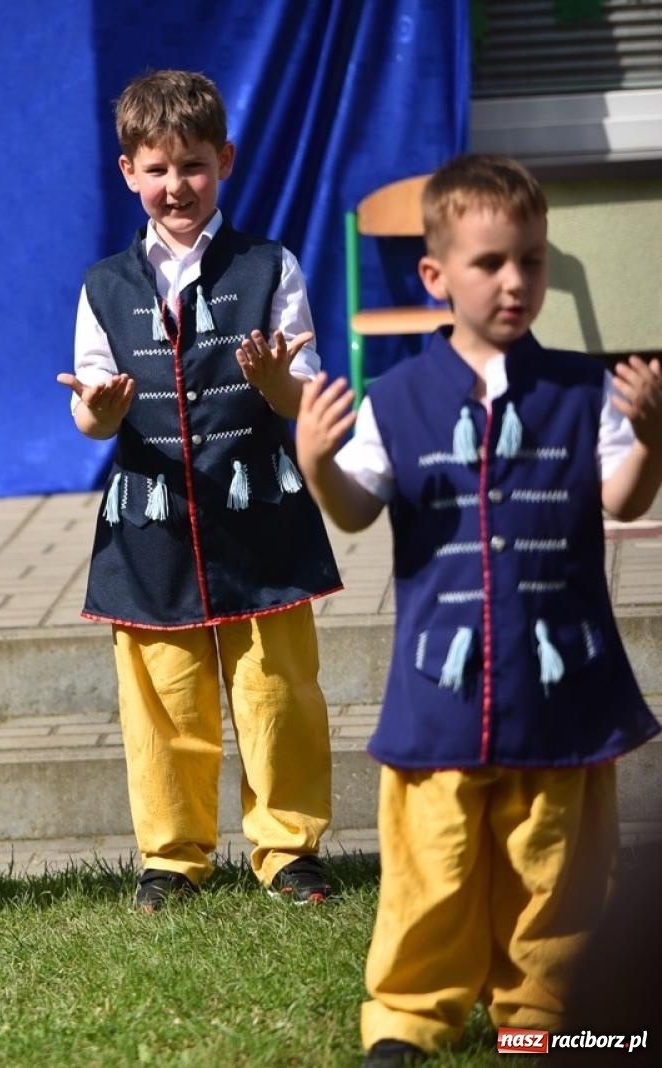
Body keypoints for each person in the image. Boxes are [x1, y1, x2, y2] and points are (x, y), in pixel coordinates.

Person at [293, 153, 662, 1066]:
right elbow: (355, 509)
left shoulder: (585, 391)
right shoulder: (397, 398)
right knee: (432, 869)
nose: (514, 281)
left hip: (561, 685)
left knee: (559, 873)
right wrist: (314, 463)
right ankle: (409, 1017)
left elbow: (623, 500)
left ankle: (543, 1020)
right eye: (491, 263)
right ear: (435, 275)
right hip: (440, 691)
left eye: (531, 261)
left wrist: (652, 439)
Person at [59, 69, 341, 911]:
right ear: (128, 173)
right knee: (162, 698)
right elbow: (91, 414)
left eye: (193, 166)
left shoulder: (269, 266)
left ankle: (289, 850)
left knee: (277, 694)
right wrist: (102, 413)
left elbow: (305, 393)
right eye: (158, 169)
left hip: (261, 517)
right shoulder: (103, 284)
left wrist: (277, 383)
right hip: (150, 528)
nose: (176, 185)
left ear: (224, 162)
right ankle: (173, 859)